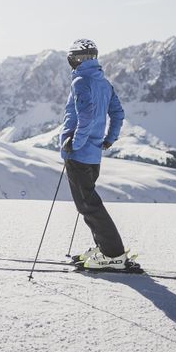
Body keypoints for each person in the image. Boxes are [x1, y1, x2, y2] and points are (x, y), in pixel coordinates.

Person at [60, 39, 131, 270]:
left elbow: (86, 116)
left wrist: (74, 144)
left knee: (89, 206)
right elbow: (118, 114)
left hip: (79, 156)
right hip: (94, 157)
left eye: (72, 57)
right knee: (88, 204)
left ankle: (113, 254)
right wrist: (109, 139)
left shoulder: (81, 81)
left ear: (77, 59)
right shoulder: (104, 82)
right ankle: (104, 249)